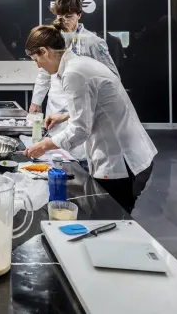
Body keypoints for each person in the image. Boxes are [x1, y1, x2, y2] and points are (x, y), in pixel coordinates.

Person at [24, 22, 158, 214]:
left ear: (45, 52)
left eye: (35, 59)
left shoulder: (73, 73)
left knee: (111, 220)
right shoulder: (79, 63)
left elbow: (80, 130)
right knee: (113, 218)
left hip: (121, 162)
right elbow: (100, 105)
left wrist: (44, 145)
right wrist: (65, 116)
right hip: (132, 155)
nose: (38, 65)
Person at [29, 0, 119, 160]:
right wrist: (36, 101)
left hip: (82, 107)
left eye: (68, 16)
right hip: (55, 107)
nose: (63, 21)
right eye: (59, 16)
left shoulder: (93, 42)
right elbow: (43, 72)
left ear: (79, 15)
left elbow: (111, 78)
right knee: (55, 157)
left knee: (79, 157)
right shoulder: (52, 40)